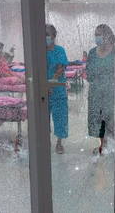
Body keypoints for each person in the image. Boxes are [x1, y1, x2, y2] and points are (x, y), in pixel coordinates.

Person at [86, 24, 115, 155]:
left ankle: (112, 144)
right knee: (98, 118)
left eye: (99, 35)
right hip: (95, 91)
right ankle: (102, 144)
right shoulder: (92, 53)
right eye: (95, 35)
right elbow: (88, 71)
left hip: (111, 91)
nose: (97, 37)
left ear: (107, 36)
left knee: (110, 117)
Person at [46, 24, 69, 154]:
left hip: (58, 88)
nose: (45, 38)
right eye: (43, 35)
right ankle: (45, 139)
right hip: (43, 89)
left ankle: (59, 143)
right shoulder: (39, 51)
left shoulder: (59, 50)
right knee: (44, 117)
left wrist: (53, 80)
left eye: (48, 35)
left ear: (54, 36)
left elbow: (61, 66)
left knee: (60, 117)